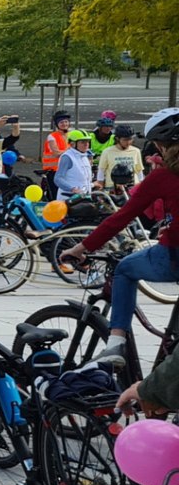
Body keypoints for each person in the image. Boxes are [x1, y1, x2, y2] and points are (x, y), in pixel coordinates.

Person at [63, 109, 179, 366]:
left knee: (125, 269)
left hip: (174, 256)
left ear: (161, 145)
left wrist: (82, 247)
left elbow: (121, 217)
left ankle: (116, 343)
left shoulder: (162, 176)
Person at [55, 130, 96, 201]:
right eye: (82, 142)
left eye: (87, 141)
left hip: (84, 198)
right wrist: (72, 189)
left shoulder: (84, 156)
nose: (86, 144)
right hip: (69, 199)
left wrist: (93, 184)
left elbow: (82, 181)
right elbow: (58, 179)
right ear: (72, 144)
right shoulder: (67, 157)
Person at [42, 110, 73, 200]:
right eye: (61, 122)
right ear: (57, 124)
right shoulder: (52, 137)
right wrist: (70, 151)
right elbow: (56, 153)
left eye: (66, 122)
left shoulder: (72, 135)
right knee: (55, 196)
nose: (64, 124)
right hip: (54, 171)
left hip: (68, 170)